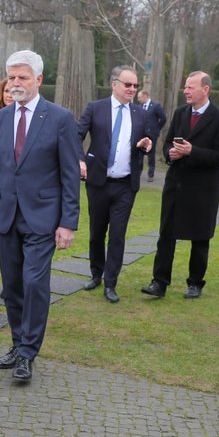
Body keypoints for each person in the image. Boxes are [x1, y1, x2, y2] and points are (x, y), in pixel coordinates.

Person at [0, 50, 81, 382]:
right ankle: (18, 343)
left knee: (35, 283)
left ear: (38, 79)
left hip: (43, 217)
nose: (16, 83)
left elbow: (69, 174)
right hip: (6, 216)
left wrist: (67, 222)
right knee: (13, 286)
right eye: (11, 77)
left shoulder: (60, 118)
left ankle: (27, 353)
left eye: (22, 77)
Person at [141, 71, 219, 300]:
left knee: (200, 238)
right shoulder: (180, 113)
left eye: (191, 87)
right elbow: (167, 146)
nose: (186, 90)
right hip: (177, 185)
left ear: (206, 89)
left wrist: (192, 151)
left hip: (203, 189)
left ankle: (195, 283)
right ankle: (159, 282)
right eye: (185, 86)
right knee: (166, 235)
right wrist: (171, 154)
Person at [77, 66, 154, 303]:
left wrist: (145, 144)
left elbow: (143, 142)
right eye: (128, 84)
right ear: (114, 84)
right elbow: (74, 136)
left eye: (135, 86)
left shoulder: (141, 113)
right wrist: (80, 161)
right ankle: (95, 274)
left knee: (118, 235)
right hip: (98, 182)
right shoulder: (95, 108)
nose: (132, 89)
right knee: (96, 233)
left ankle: (111, 283)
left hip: (125, 185)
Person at [137, 88, 167, 182]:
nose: (138, 99)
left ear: (145, 96)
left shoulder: (155, 106)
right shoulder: (140, 106)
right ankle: (138, 172)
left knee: (151, 154)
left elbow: (163, 118)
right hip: (141, 134)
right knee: (140, 154)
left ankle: (151, 174)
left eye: (140, 97)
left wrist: (157, 128)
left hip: (152, 134)